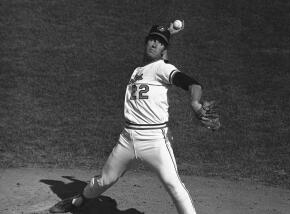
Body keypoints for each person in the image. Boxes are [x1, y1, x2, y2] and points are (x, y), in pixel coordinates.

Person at [49, 22, 215, 214]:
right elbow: (152, 58)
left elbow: (192, 84)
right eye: (152, 40)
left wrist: (195, 103)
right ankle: (78, 201)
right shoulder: (138, 70)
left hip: (154, 141)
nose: (154, 44)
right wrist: (167, 33)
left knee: (174, 185)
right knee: (105, 180)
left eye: (159, 43)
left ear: (164, 50)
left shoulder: (163, 69)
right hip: (127, 139)